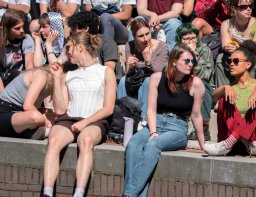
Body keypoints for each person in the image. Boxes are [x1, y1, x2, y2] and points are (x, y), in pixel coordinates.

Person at [123, 44, 205, 197]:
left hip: (177, 128)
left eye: (192, 62)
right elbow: (151, 110)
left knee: (153, 145)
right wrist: (153, 131)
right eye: (186, 61)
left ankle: (128, 194)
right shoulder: (156, 78)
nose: (190, 65)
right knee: (133, 144)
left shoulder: (196, 83)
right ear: (174, 61)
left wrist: (203, 144)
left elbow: (196, 115)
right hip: (155, 123)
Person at [42, 32, 116, 197]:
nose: (66, 52)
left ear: (80, 47)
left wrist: (85, 123)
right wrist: (57, 78)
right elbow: (60, 110)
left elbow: (108, 108)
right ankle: (47, 192)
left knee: (85, 139)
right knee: (53, 140)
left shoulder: (105, 72)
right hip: (69, 118)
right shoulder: (68, 74)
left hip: (96, 120)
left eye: (68, 47)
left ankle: (79, 193)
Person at [203, 40, 256, 156]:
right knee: (223, 101)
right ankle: (234, 141)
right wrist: (225, 87)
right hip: (232, 145)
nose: (231, 64)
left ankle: (237, 142)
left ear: (248, 64)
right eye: (230, 61)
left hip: (254, 144)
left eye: (236, 61)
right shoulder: (231, 88)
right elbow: (215, 95)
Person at [117, 18, 169, 119]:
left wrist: (148, 62)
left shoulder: (162, 47)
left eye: (147, 34)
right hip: (137, 78)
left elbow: (158, 72)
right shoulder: (130, 45)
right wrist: (131, 67)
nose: (146, 39)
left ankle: (143, 117)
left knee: (148, 81)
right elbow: (128, 73)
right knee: (123, 80)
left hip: (156, 80)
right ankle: (121, 115)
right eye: (141, 36)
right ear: (134, 36)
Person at [215, 0, 256, 88]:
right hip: (232, 56)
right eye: (243, 7)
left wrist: (238, 49)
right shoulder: (226, 24)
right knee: (220, 58)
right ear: (234, 8)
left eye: (250, 6)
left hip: (253, 57)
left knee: (246, 60)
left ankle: (246, 93)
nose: (248, 9)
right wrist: (228, 48)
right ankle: (222, 93)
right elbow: (225, 45)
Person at [175, 23, 214, 140]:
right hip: (181, 84)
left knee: (201, 84)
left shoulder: (204, 50)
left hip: (202, 86)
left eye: (193, 38)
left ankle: (204, 128)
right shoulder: (177, 51)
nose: (191, 41)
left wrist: (193, 56)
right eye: (186, 39)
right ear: (180, 40)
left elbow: (206, 75)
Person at [0, 66, 54, 139]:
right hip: (5, 111)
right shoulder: (42, 75)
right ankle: (45, 132)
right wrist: (45, 121)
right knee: (37, 118)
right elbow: (27, 106)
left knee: (53, 115)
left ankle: (33, 132)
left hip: (19, 114)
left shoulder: (54, 84)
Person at [0, 9, 34, 90]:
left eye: (22, 27)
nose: (22, 31)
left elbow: (29, 64)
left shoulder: (26, 39)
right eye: (17, 28)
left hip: (19, 77)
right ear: (7, 29)